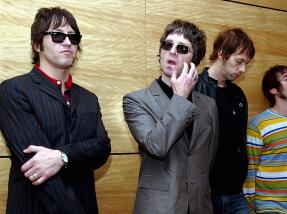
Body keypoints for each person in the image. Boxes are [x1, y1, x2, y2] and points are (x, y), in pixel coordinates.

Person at [0, 7, 111, 214]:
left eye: (73, 37)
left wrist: (62, 156)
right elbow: (37, 167)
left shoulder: (88, 98)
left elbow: (102, 148)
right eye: (57, 36)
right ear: (37, 44)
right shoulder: (14, 90)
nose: (68, 42)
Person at [123, 19, 218, 214]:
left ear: (195, 60)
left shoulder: (209, 105)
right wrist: (180, 98)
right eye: (168, 45)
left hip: (200, 205)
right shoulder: (136, 100)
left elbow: (207, 160)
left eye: (183, 48)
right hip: (158, 206)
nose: (172, 51)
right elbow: (157, 146)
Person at [194, 27, 255, 214]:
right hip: (206, 194)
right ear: (222, 53)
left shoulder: (238, 95)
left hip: (236, 193)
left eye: (246, 64)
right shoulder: (193, 87)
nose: (243, 69)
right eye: (239, 61)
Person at [243, 65, 287, 214]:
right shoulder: (259, 124)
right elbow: (249, 171)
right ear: (273, 90)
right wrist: (251, 208)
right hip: (271, 209)